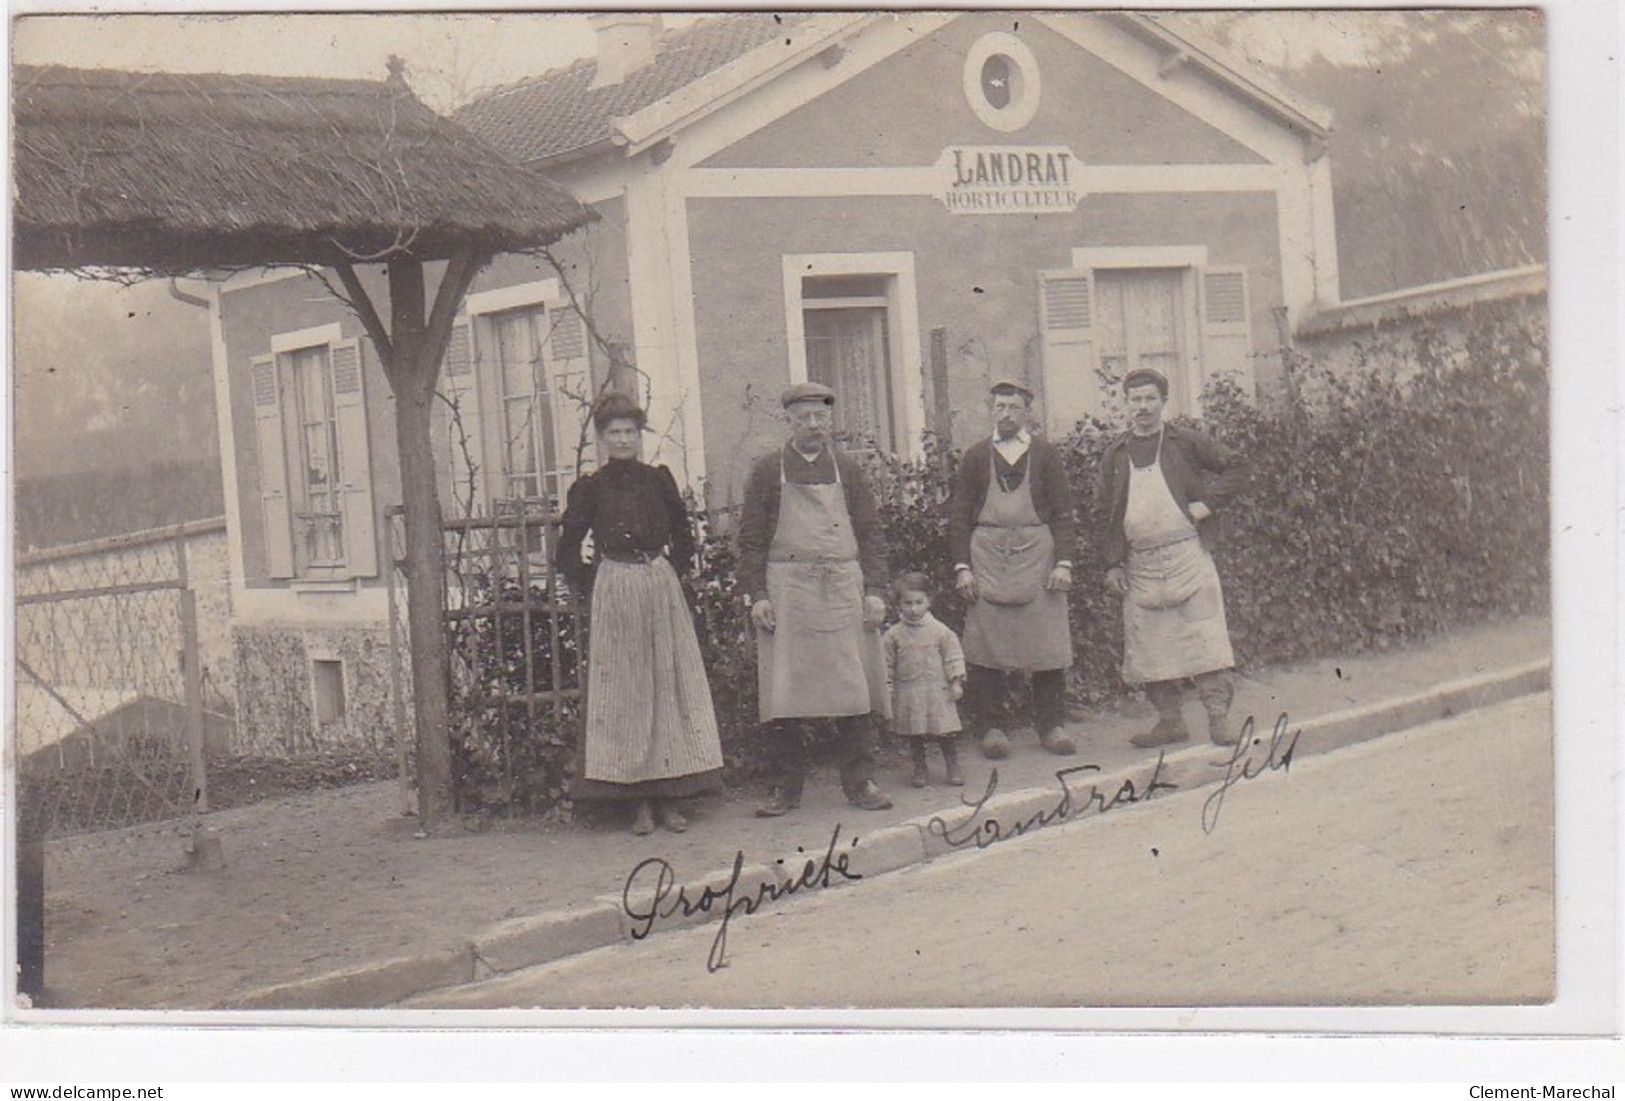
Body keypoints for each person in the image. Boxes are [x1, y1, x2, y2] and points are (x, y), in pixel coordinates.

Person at [555, 391, 724, 835]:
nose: (624, 440)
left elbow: (684, 535)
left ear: (640, 435)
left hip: (658, 584)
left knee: (667, 686)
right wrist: (597, 583)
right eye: (615, 433)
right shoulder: (592, 487)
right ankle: (638, 803)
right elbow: (567, 548)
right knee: (627, 694)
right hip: (616, 586)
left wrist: (673, 572)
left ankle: (671, 798)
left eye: (631, 432)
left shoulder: (657, 480)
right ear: (602, 438)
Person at [736, 381, 894, 817]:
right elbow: (750, 540)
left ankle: (860, 782)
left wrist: (876, 590)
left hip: (843, 585)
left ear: (830, 420)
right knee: (785, 690)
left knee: (852, 685)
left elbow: (870, 533)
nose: (812, 425)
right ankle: (786, 789)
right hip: (788, 590)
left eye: (820, 417)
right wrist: (757, 595)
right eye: (803, 418)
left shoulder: (848, 469)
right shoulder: (769, 470)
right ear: (788, 421)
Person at [1093, 367, 1246, 749]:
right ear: (1125, 404)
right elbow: (1102, 513)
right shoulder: (1115, 453)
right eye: (1135, 399)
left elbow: (1238, 466)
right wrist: (1112, 563)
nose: (1142, 406)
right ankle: (1170, 722)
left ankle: (1217, 719)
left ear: (1163, 402)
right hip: (1141, 566)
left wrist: (1209, 504)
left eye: (1149, 399)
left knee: (1205, 639)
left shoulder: (1184, 442)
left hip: (1189, 558)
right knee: (1149, 647)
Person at [949, 378, 1079, 760]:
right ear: (991, 410)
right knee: (987, 645)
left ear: (1027, 413)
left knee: (1048, 645)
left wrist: (1064, 563)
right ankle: (992, 728)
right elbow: (958, 516)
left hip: (1038, 558)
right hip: (987, 559)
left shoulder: (1046, 455)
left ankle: (1051, 725)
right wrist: (963, 568)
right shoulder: (975, 457)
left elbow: (1064, 512)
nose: (1005, 414)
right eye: (999, 407)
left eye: (1013, 408)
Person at [883, 572, 967, 788]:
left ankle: (953, 765)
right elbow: (886, 664)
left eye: (919, 602)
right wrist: (887, 687)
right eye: (907, 603)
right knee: (915, 732)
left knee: (944, 731)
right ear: (898, 605)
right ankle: (920, 768)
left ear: (929, 601)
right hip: (910, 691)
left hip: (937, 690)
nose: (913, 608)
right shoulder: (893, 634)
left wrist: (956, 681)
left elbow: (953, 656)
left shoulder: (940, 631)